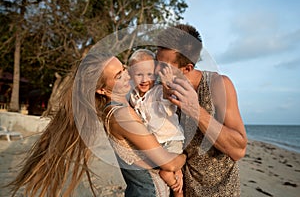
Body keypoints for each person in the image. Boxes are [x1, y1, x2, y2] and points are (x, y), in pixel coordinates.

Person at [8, 50, 186, 197]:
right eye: (118, 76)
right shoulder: (122, 115)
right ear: (101, 89)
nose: (126, 76)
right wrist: (186, 156)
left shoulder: (121, 107)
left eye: (123, 69)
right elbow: (168, 164)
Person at [155, 24, 248, 197]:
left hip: (221, 190)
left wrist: (195, 110)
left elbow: (239, 150)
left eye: (163, 67)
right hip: (181, 189)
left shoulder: (217, 85)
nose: (156, 70)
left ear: (187, 68)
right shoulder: (156, 89)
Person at [127, 49, 185, 196]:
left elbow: (167, 99)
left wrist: (167, 89)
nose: (144, 79)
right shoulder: (133, 96)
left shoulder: (159, 91)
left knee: (166, 174)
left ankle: (179, 192)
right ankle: (176, 172)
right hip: (156, 143)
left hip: (171, 140)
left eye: (149, 74)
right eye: (139, 74)